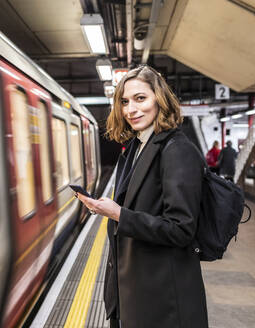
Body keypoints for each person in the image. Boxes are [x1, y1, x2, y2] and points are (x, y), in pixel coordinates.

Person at [75, 65, 208, 328]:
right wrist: (105, 208)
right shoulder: (135, 148)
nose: (130, 110)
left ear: (160, 99)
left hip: (164, 299)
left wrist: (118, 214)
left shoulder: (177, 150)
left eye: (140, 99)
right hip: (136, 290)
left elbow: (181, 229)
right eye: (124, 102)